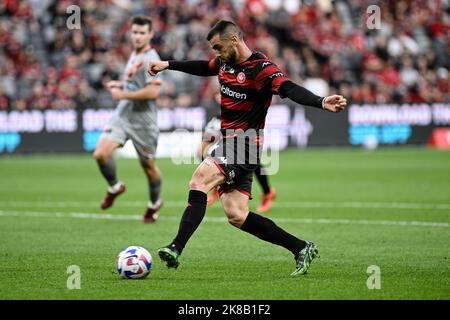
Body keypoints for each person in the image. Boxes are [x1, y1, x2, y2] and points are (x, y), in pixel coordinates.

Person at [148, 20, 347, 275]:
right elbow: (203, 67)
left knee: (199, 179)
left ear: (234, 40)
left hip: (243, 143)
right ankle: (301, 248)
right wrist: (168, 64)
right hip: (235, 144)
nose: (216, 54)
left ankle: (175, 247)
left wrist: (321, 101)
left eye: (218, 47)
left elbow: (288, 88)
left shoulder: (261, 68)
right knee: (237, 214)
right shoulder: (224, 62)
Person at [93, 16, 163, 224]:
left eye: (142, 33)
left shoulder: (152, 58)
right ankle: (115, 187)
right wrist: (120, 85)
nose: (138, 36)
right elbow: (134, 82)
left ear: (150, 34)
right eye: (135, 32)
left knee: (148, 167)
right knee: (100, 154)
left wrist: (122, 94)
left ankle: (154, 203)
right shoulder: (134, 54)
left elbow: (152, 92)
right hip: (123, 114)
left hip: (144, 122)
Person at [199, 112, 276, 212]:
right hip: (226, 120)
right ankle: (218, 187)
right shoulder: (218, 114)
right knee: (209, 154)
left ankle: (267, 193)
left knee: (251, 161)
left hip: (244, 122)